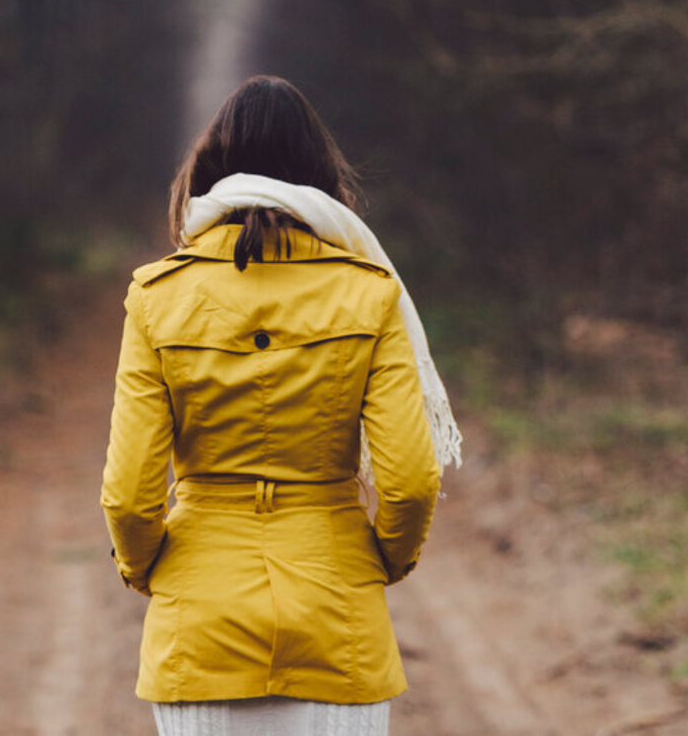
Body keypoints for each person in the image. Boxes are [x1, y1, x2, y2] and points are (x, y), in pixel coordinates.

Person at [102, 75, 462, 736]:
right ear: (323, 180)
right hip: (338, 620)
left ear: (207, 173)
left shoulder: (156, 297)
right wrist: (381, 562)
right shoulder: (370, 292)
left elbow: (129, 496)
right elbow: (410, 484)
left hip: (200, 622)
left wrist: (150, 570)